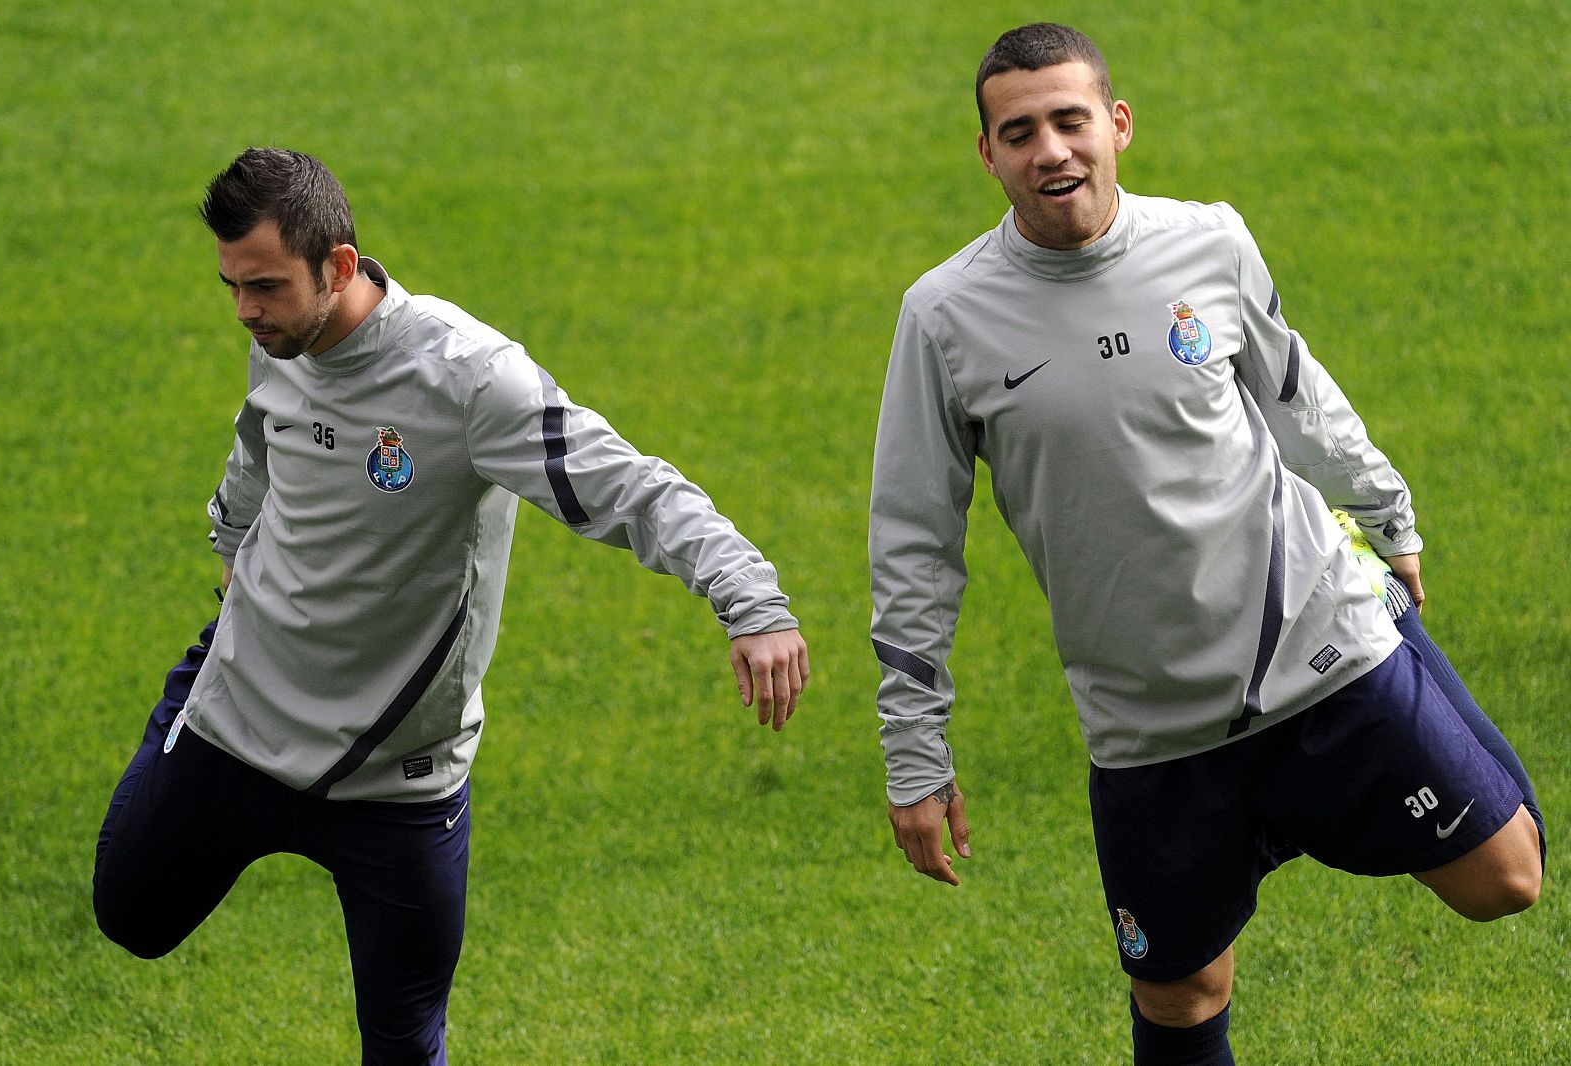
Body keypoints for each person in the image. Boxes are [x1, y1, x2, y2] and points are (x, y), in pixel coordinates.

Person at [868, 24, 1542, 1065]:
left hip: (1318, 654)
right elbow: (913, 542)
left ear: (1116, 126)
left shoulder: (1209, 242)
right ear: (987, 153)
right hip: (1151, 725)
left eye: (1068, 120)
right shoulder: (945, 317)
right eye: (1018, 131)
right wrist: (915, 753)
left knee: (1506, 881)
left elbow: (1295, 398)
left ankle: (1372, 673)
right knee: (1180, 993)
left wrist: (1386, 509)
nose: (1049, 149)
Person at [94, 147, 810, 1065]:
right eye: (231, 286)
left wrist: (751, 604)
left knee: (403, 1045)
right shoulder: (279, 333)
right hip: (240, 722)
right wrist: (232, 547)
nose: (244, 310)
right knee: (130, 916)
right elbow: (259, 446)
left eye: (264, 286)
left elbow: (631, 487)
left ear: (340, 267)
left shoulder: (470, 380)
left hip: (396, 779)